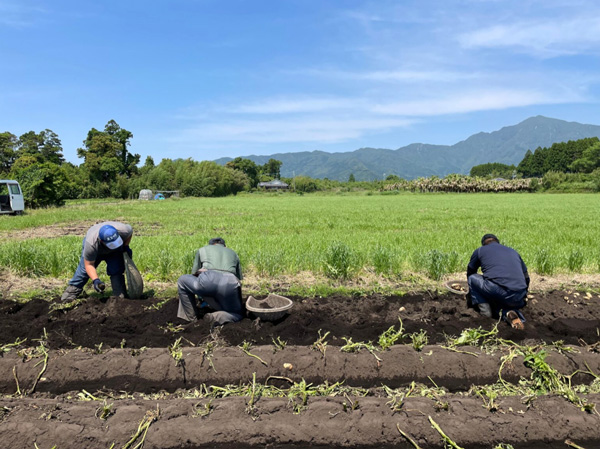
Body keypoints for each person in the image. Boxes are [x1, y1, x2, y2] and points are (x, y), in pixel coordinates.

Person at [466, 234, 529, 329]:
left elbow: (471, 271)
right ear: (497, 242)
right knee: (500, 301)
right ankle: (508, 313)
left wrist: (471, 295)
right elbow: (526, 278)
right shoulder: (513, 251)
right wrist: (523, 295)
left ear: (484, 244)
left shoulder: (480, 251)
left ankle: (485, 314)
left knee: (472, 278)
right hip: (519, 294)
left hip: (499, 291)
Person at [177, 237, 243, 326]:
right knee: (236, 314)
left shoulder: (203, 249)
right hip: (230, 282)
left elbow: (195, 274)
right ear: (224, 246)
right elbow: (239, 279)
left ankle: (191, 320)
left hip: (208, 279)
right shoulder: (233, 253)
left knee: (182, 281)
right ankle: (214, 317)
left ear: (211, 245)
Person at [61, 222, 133, 301]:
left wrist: (126, 246)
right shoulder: (91, 244)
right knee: (83, 272)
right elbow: (89, 265)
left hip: (114, 252)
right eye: (112, 244)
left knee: (116, 269)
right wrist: (96, 280)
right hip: (96, 250)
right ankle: (70, 295)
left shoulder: (124, 230)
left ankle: (119, 296)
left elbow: (129, 233)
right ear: (101, 241)